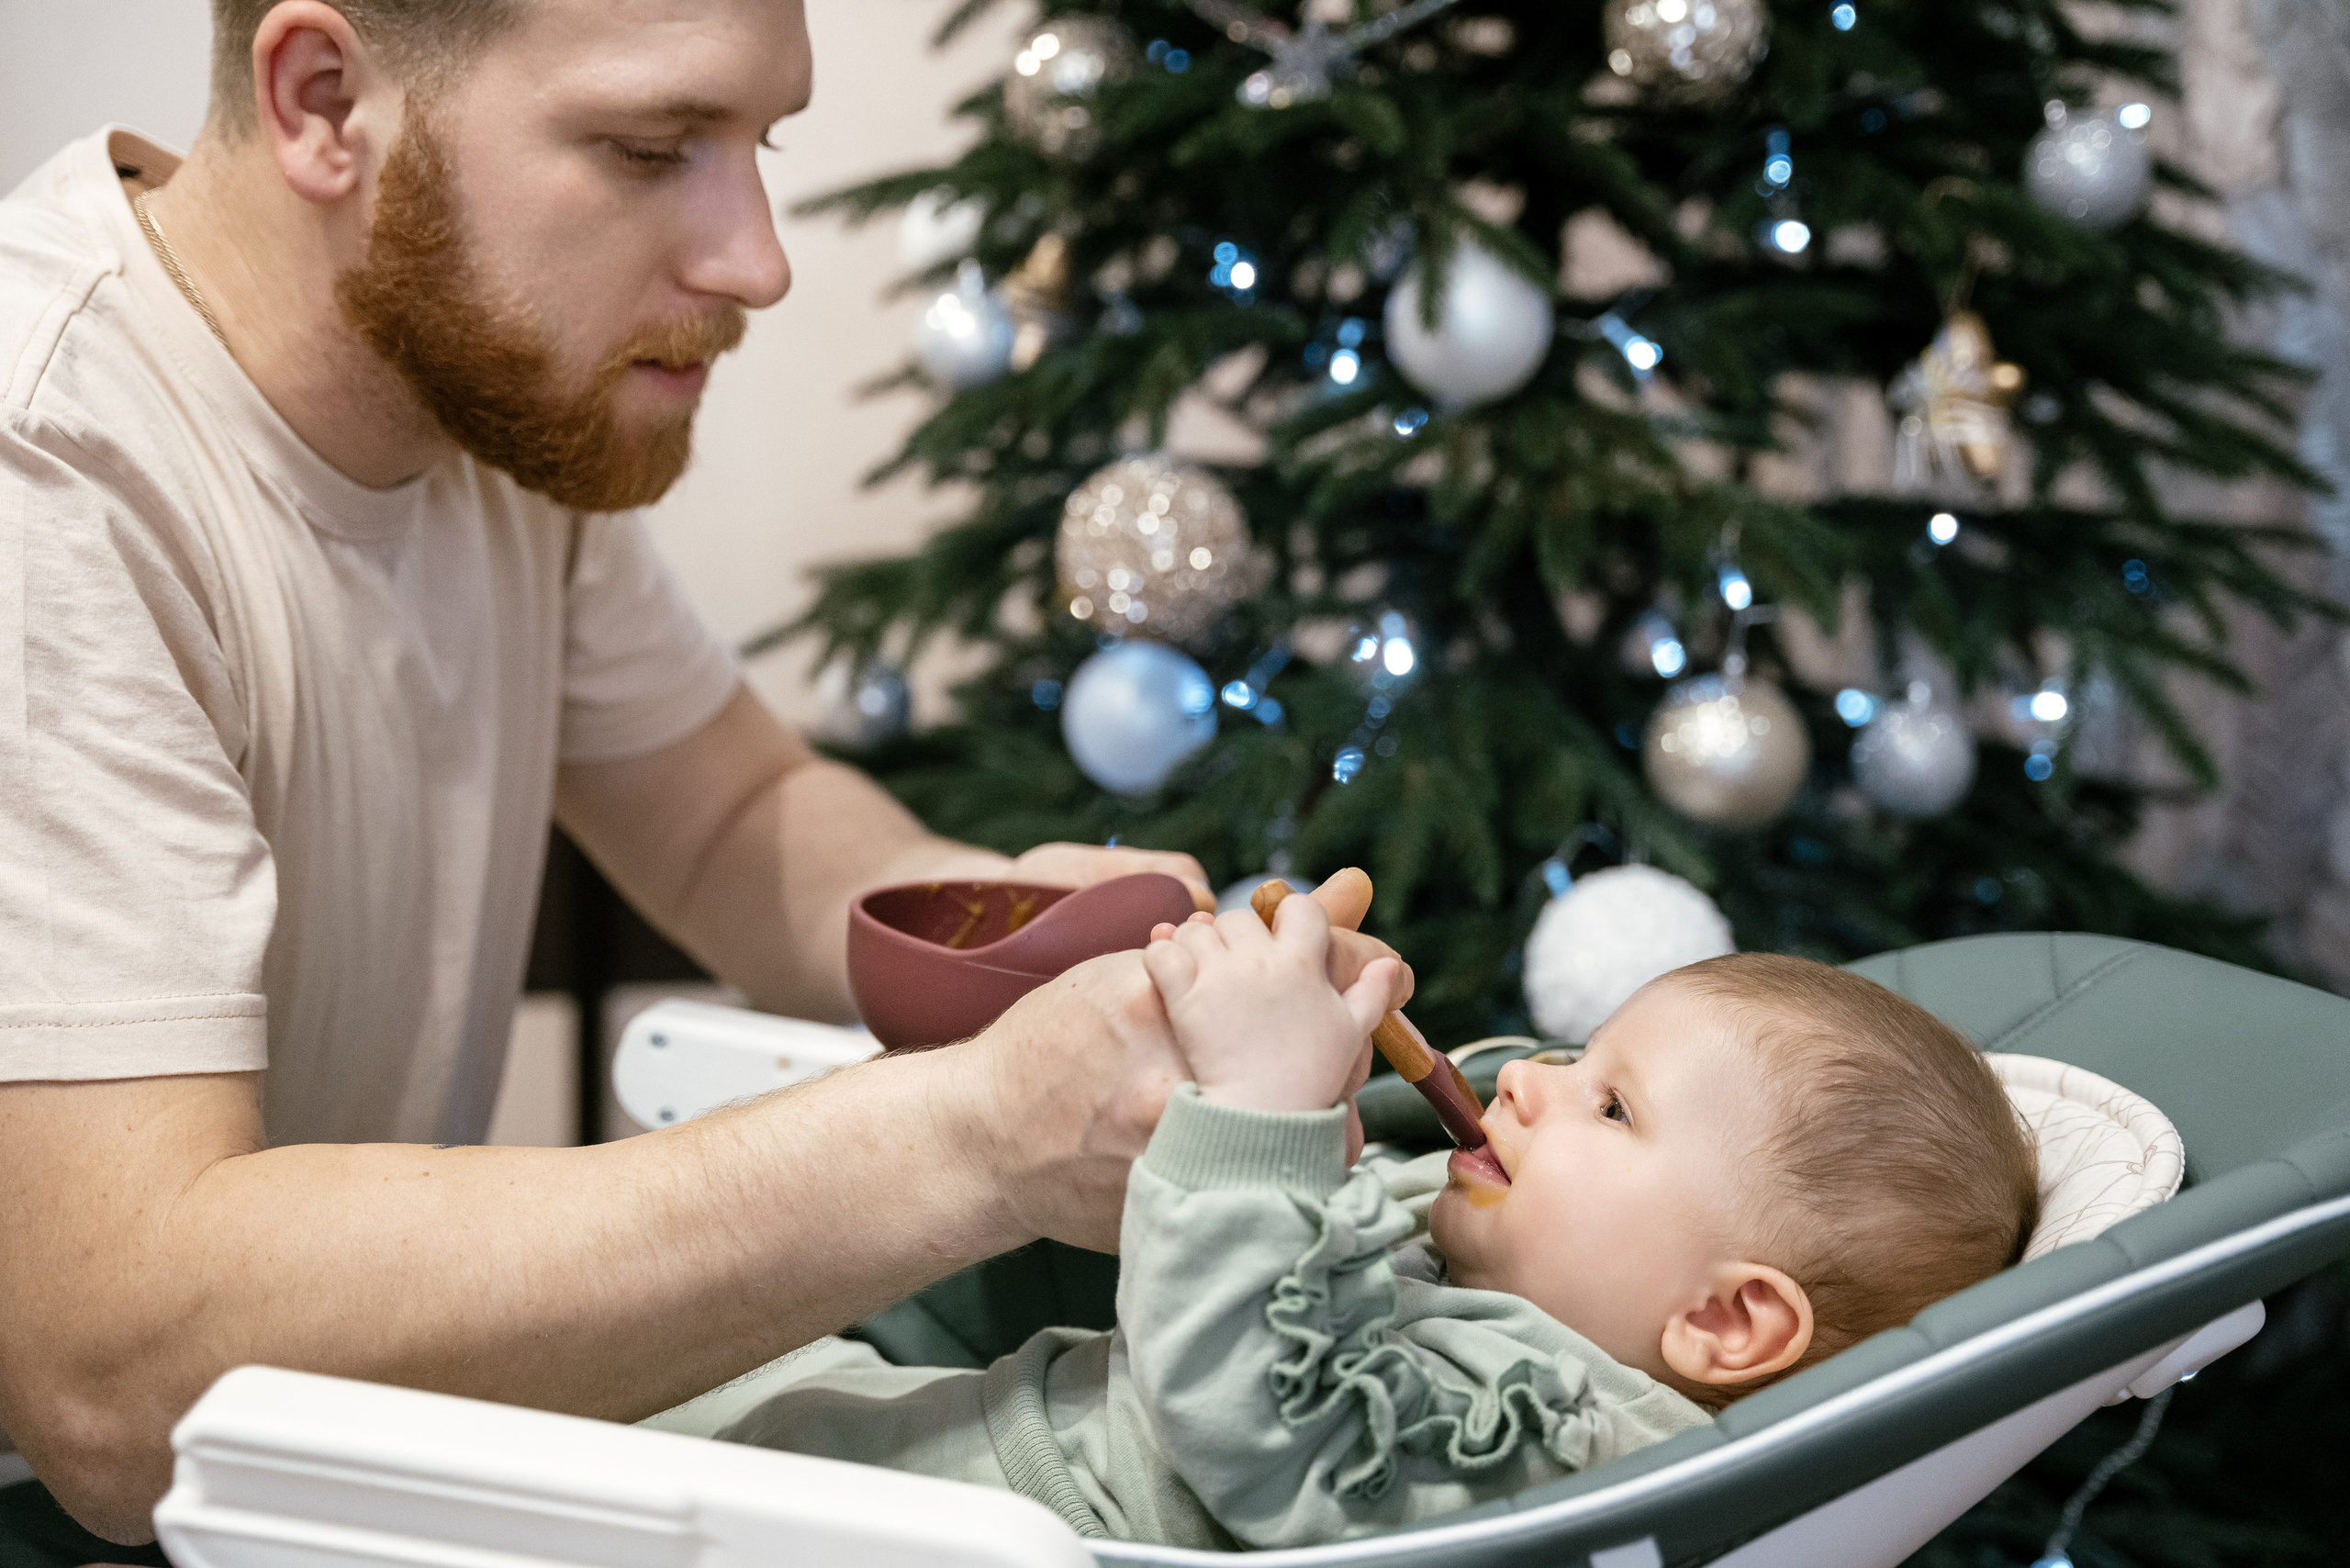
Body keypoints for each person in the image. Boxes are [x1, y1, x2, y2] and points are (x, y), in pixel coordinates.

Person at [0, 0, 1411, 1551]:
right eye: (651, 148)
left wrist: (1028, 937)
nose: (757, 261)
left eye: (763, 143)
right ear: (325, 101)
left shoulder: (480, 389)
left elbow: (735, 820)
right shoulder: (49, 475)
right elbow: (115, 1382)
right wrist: (986, 1131)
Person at [683, 935, 2040, 1550]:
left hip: (950, 1527)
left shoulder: (1555, 1448)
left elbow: (1272, 1410)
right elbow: (1314, 1272)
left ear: (1724, 1324)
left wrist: (1261, 1124)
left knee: (580, 1401)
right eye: (1575, 1054)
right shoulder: (1527, 1292)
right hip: (958, 1437)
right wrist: (1303, 1108)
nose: (1526, 1080)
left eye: (1609, 1105)